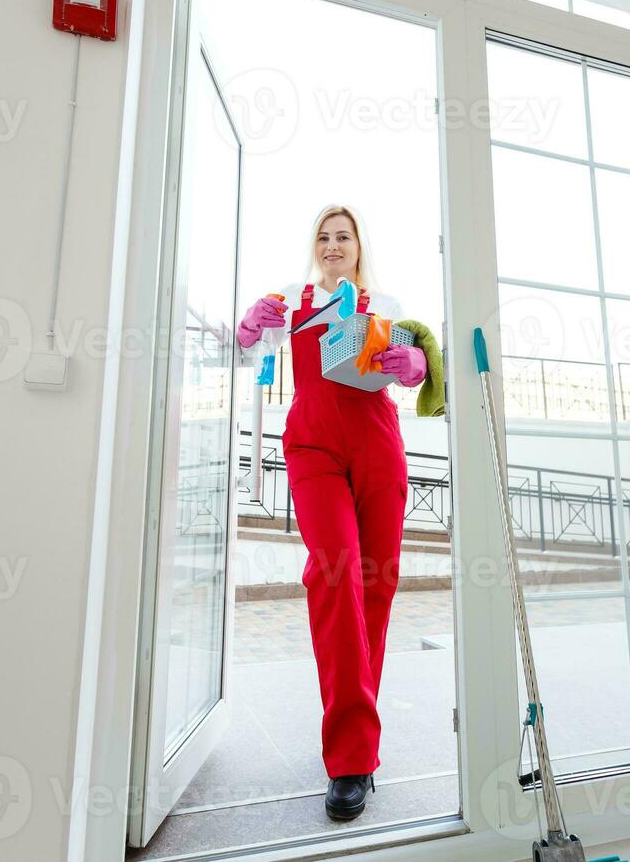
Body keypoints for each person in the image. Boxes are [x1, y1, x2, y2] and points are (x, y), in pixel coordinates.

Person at [237, 204, 427, 822]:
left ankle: (358, 744)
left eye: (342, 235)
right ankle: (349, 761)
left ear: (358, 244)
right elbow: (246, 351)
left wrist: (415, 366)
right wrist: (246, 327)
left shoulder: (386, 302)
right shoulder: (289, 297)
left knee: (376, 585)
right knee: (336, 574)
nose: (333, 244)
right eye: (324, 236)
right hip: (313, 444)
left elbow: (415, 364)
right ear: (314, 247)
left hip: (377, 442)